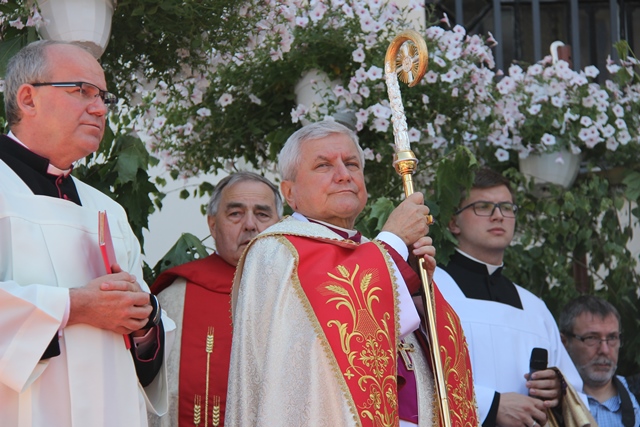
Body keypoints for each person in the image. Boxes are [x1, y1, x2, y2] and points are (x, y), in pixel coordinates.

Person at [226, 120, 478, 426]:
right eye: (323, 165)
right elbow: (321, 343)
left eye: (352, 164)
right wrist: (393, 245)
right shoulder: (275, 251)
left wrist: (414, 287)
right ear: (290, 192)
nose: (343, 175)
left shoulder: (372, 252)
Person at [0, 40, 174, 426]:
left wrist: (144, 319)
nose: (99, 109)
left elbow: (144, 338)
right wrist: (75, 306)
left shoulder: (108, 210)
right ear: (28, 99)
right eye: (82, 91)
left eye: (103, 97)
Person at [433, 167, 586, 427]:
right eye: (483, 207)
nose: (498, 216)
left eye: (506, 207)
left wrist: (558, 392)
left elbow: (576, 397)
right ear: (453, 223)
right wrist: (490, 406)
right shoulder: (429, 290)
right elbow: (413, 380)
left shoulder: (535, 308)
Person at [149, 172, 283, 427]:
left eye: (262, 214)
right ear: (212, 225)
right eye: (236, 214)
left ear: (280, 225)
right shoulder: (175, 298)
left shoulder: (297, 294)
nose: (250, 224)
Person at [560, 295, 640, 426]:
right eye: (591, 338)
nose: (605, 350)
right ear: (564, 343)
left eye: (612, 338)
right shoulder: (550, 404)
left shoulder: (636, 394)